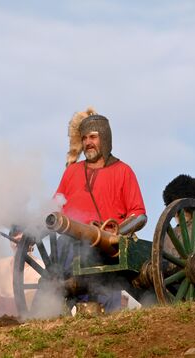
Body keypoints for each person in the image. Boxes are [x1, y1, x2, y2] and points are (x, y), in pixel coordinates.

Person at [53, 107, 147, 312]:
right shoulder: (72, 172)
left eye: (93, 137)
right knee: (58, 262)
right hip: (70, 247)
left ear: (104, 138)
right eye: (85, 138)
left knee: (108, 301)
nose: (88, 142)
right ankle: (46, 309)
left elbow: (138, 214)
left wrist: (118, 232)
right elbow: (56, 207)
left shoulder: (123, 171)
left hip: (107, 249)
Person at [0, 226, 41, 323]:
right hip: (0, 321)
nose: (16, 245)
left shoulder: (40, 269)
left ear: (31, 244)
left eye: (19, 240)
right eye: (13, 240)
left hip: (26, 320)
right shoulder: (0, 266)